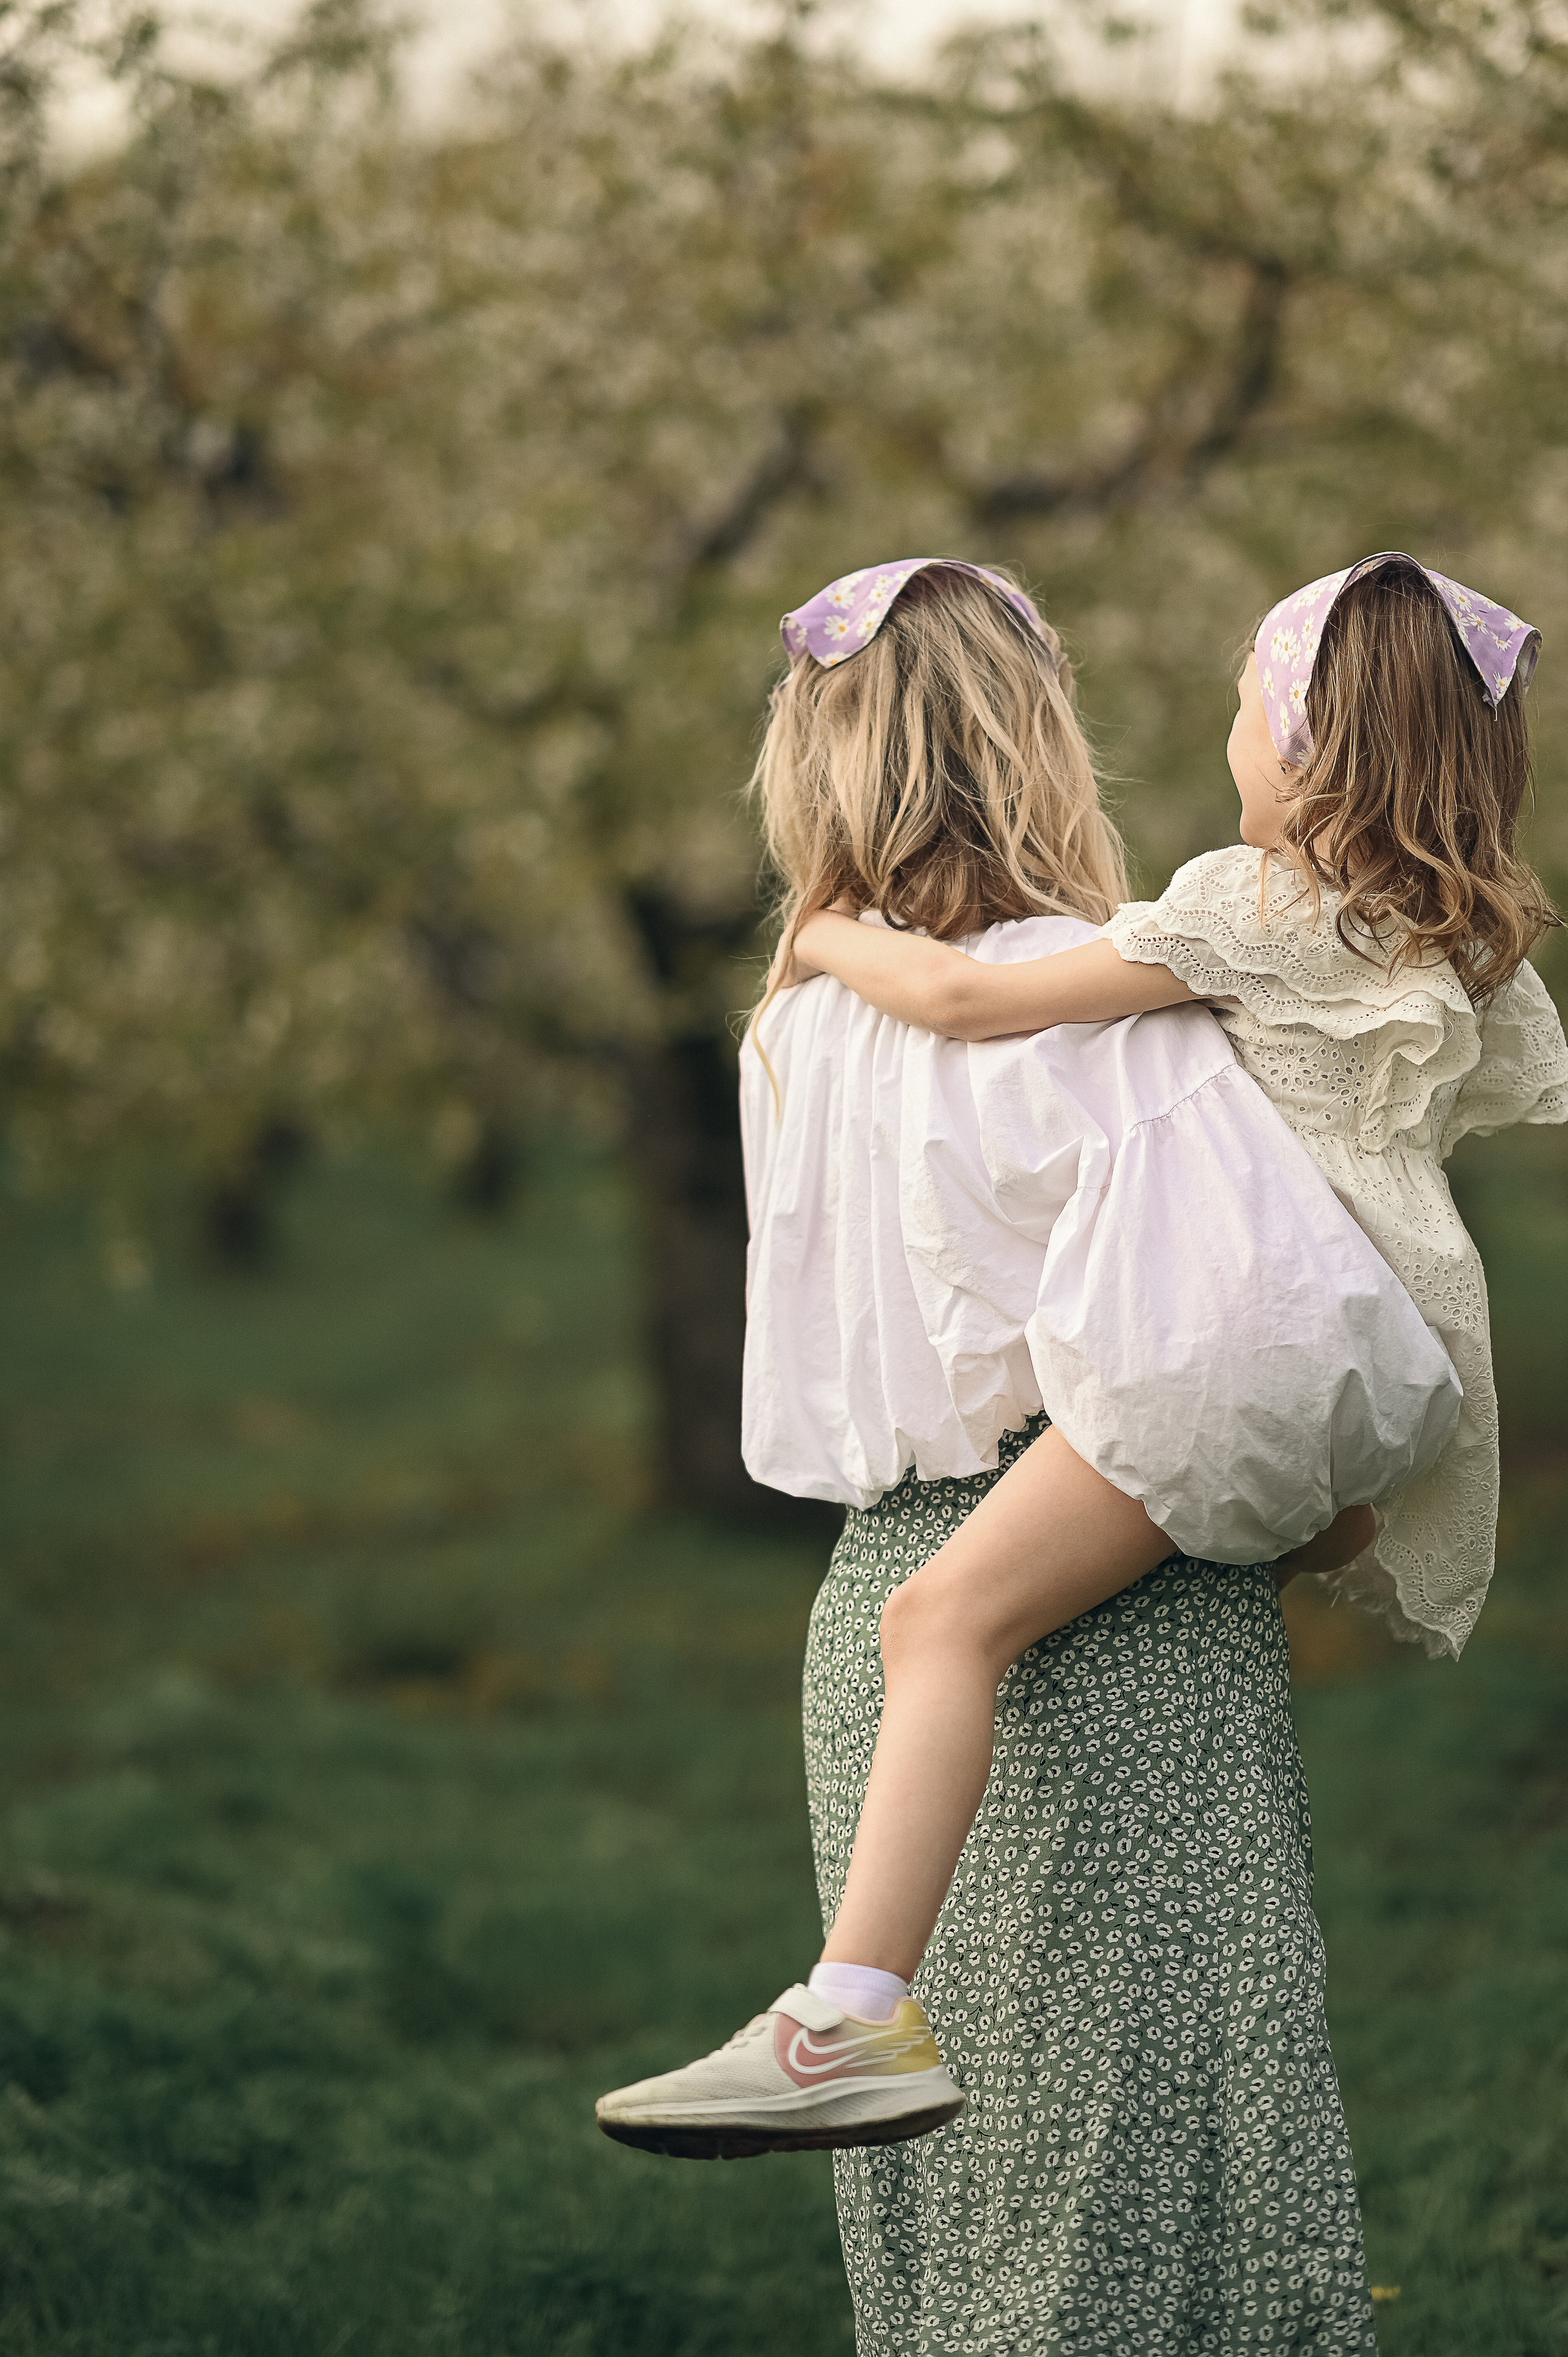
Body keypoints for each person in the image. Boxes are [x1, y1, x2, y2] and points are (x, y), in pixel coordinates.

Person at [594, 556, 1537, 2351]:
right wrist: (1334, 1502)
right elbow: (1253, 1339)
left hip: (887, 1608)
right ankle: (849, 2024)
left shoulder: (794, 1026)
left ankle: (842, 2017)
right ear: (1040, 733)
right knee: (1142, 2180)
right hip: (1119, 1617)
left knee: (970, 2208)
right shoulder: (1134, 1015)